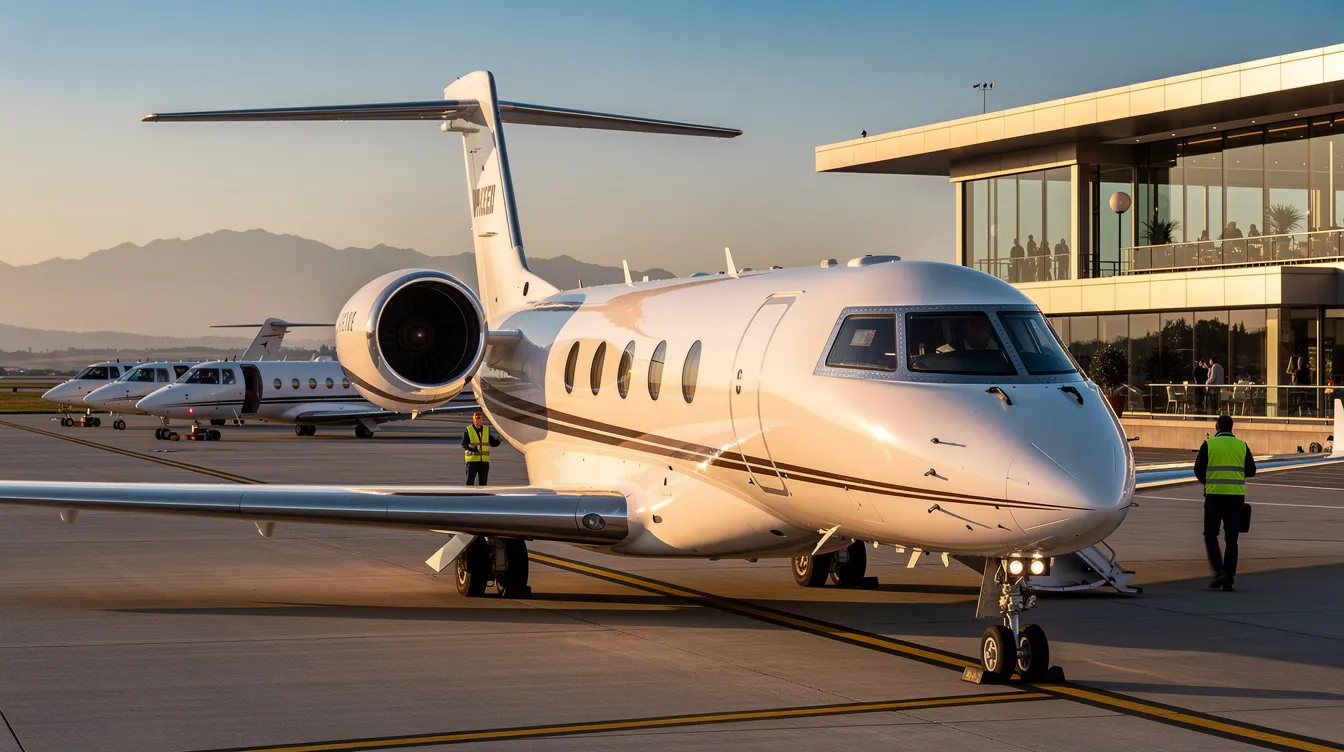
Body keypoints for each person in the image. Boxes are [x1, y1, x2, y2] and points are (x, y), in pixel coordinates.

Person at [1193, 414, 1256, 591]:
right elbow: (1251, 470)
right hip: (1235, 497)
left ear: (1217, 427)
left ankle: (1219, 571)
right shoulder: (1242, 445)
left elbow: (1198, 469)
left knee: (1211, 535)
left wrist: (1208, 482)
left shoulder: (1209, 444)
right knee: (1232, 539)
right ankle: (1228, 579)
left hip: (1214, 496)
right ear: (1232, 427)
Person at [463, 411, 502, 486]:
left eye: (478, 418)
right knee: (470, 482)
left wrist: (500, 438)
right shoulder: (468, 430)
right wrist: (473, 449)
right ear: (473, 420)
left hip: (483, 462)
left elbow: (493, 443)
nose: (477, 420)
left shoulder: (486, 430)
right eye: (475, 419)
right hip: (472, 462)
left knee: (483, 483)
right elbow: (464, 444)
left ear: (481, 420)